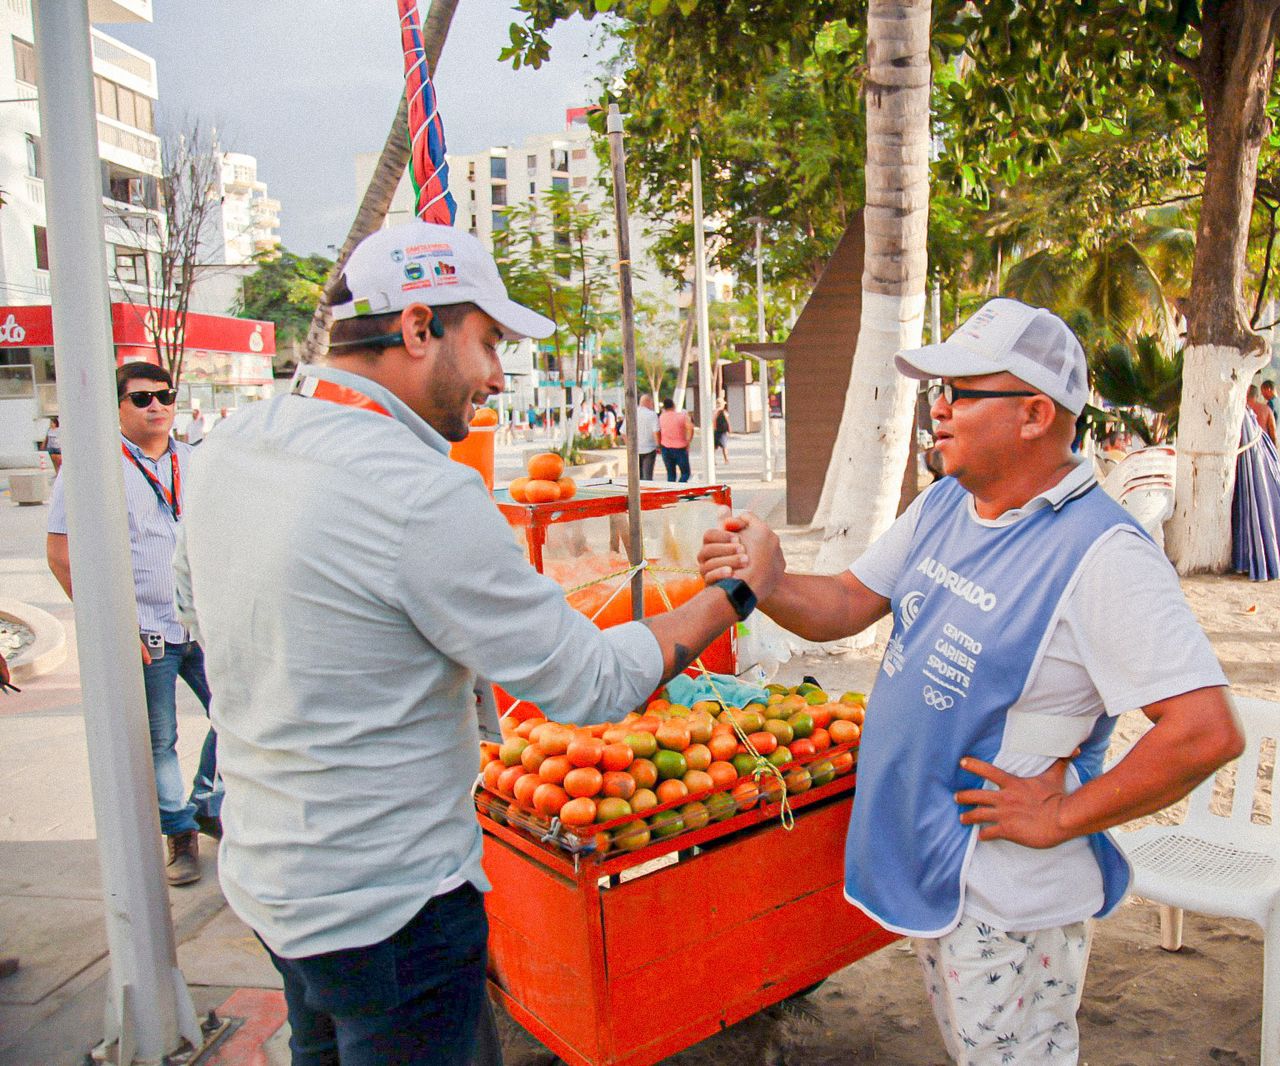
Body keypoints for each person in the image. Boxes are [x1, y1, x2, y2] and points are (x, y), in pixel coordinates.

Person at [174, 220, 777, 1065]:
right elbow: (590, 683)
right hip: (390, 912)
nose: (498, 375)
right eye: (489, 341)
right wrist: (735, 594)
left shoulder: (225, 448)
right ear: (419, 329)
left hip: (272, 879)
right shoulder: (418, 491)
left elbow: (191, 606)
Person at [698, 298, 1243, 1066]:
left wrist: (1063, 817)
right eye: (937, 392)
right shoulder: (951, 503)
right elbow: (853, 601)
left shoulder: (1105, 556)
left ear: (1033, 414)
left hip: (1009, 890)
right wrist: (774, 579)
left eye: (959, 393)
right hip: (937, 861)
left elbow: (1205, 731)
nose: (939, 410)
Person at [45, 362, 223, 887]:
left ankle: (207, 802)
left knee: (240, 713)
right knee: (160, 740)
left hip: (205, 623)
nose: (157, 407)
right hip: (144, 628)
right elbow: (61, 554)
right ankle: (180, 832)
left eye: (166, 396)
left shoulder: (196, 462)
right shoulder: (94, 468)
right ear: (118, 407)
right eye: (142, 398)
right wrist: (111, 624)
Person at [657, 396, 693, 483]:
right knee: (685, 473)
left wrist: (659, 445)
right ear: (673, 406)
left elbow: (658, 431)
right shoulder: (682, 416)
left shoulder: (661, 417)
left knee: (670, 474)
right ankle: (680, 487)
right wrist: (688, 441)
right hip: (680, 447)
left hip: (666, 447)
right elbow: (690, 428)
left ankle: (671, 492)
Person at [633, 392, 660, 481]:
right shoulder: (652, 414)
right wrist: (658, 445)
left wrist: (629, 444)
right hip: (649, 449)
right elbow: (656, 431)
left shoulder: (632, 413)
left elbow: (623, 431)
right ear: (648, 402)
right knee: (647, 476)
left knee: (637, 476)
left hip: (635, 449)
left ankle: (638, 493)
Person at [713, 399, 731, 464]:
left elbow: (713, 421)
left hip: (716, 431)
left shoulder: (714, 412)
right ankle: (726, 460)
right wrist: (729, 430)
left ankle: (713, 460)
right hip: (723, 432)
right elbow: (727, 422)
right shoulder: (724, 412)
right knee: (724, 447)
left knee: (714, 448)